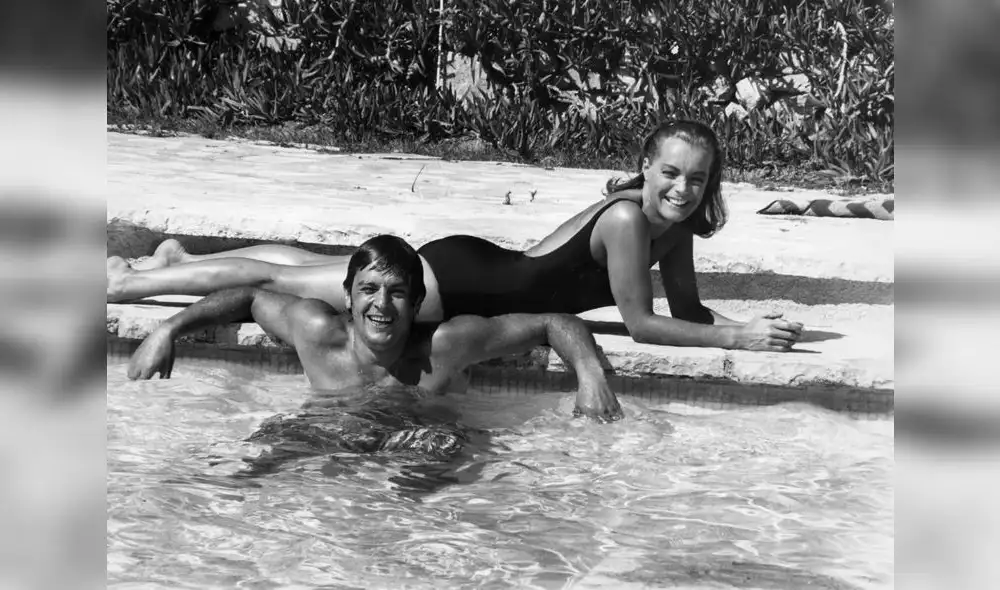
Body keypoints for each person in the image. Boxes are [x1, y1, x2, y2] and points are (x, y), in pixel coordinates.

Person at [110, 120, 803, 352]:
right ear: (644, 169)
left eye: (698, 180)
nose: (683, 190)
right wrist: (738, 341)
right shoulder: (627, 220)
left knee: (303, 264)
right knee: (277, 283)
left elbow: (686, 315)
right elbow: (643, 325)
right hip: (457, 282)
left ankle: (178, 258)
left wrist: (744, 323)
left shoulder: (671, 229)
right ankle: (132, 283)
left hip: (479, 266)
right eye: (671, 175)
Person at [128, 234, 623, 425]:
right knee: (252, 468)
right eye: (368, 290)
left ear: (418, 301)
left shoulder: (447, 347)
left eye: (397, 293)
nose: (380, 305)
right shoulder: (317, 331)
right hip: (328, 435)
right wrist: (169, 328)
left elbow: (553, 322)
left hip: (422, 447)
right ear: (347, 295)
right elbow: (250, 297)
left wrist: (590, 374)